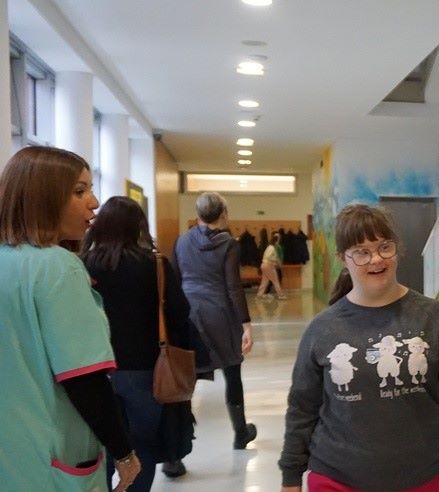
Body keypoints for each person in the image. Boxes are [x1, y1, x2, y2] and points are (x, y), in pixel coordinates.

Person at [278, 204, 439, 492]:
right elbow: (302, 408)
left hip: (423, 476)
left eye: (385, 247)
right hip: (336, 479)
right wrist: (291, 477)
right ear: (343, 258)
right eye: (362, 252)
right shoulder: (322, 330)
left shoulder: (433, 317)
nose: (376, 259)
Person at [0, 146, 141, 491]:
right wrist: (124, 453)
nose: (94, 202)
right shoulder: (58, 268)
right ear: (42, 197)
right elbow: (84, 377)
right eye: (79, 191)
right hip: (48, 451)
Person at [80, 196, 194, 489]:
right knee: (142, 446)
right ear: (138, 226)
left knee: (103, 447)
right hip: (145, 370)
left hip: (94, 370)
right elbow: (180, 312)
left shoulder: (82, 265)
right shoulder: (154, 265)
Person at [173, 192, 257, 452]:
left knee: (186, 380)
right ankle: (240, 433)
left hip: (188, 314)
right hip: (220, 315)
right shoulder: (228, 244)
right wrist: (246, 324)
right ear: (223, 214)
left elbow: (175, 280)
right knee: (232, 373)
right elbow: (233, 287)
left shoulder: (181, 241)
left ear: (198, 214)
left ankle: (176, 451)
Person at [256, 231, 287, 300]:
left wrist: (276, 261)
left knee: (264, 281)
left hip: (264, 265)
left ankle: (259, 295)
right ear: (276, 240)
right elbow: (269, 257)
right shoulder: (272, 248)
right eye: (278, 240)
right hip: (269, 266)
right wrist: (276, 261)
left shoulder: (269, 247)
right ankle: (280, 295)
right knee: (275, 280)